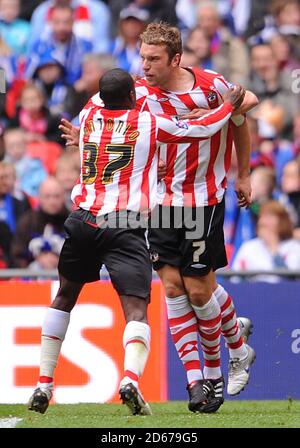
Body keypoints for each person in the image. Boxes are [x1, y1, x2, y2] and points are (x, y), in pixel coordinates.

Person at [59, 22, 258, 413]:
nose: (144, 66)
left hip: (202, 197)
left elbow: (243, 107)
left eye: (153, 59)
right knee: (172, 289)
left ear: (176, 59)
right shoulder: (138, 93)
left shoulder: (210, 86)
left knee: (199, 291)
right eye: (142, 57)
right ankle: (200, 382)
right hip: (158, 202)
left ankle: (236, 345)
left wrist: (245, 173)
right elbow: (98, 117)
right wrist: (85, 137)